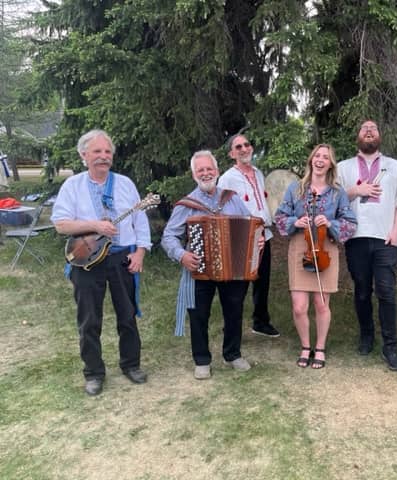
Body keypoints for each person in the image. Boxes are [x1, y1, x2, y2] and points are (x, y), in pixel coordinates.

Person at [51, 129, 151, 396]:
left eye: (107, 152)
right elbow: (61, 224)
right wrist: (94, 225)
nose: (103, 157)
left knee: (127, 316)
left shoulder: (125, 184)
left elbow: (139, 219)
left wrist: (140, 252)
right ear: (84, 155)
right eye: (97, 152)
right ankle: (94, 373)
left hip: (121, 259)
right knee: (89, 319)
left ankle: (131, 365)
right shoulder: (72, 186)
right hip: (86, 260)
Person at [161, 150, 262, 379]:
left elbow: (251, 225)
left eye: (209, 169)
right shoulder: (187, 204)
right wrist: (181, 255)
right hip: (199, 269)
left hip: (232, 269)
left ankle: (233, 354)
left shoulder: (232, 198)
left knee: (234, 311)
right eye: (201, 170)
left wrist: (258, 239)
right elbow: (168, 236)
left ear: (216, 171)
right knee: (198, 314)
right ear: (194, 174)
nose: (206, 173)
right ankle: (202, 359)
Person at [337, 120, 397, 371]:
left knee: (387, 292)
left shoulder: (394, 166)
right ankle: (366, 335)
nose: (369, 132)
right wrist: (355, 190)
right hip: (356, 238)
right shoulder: (343, 167)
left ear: (379, 136)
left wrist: (396, 231)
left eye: (374, 129)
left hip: (385, 238)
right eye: (364, 129)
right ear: (358, 136)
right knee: (361, 291)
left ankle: (390, 345)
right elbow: (334, 201)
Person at [275, 144, 357, 369]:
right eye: (317, 156)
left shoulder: (338, 193)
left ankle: (319, 347)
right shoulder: (295, 189)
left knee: (321, 304)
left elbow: (350, 224)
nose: (320, 160)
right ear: (311, 160)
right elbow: (280, 218)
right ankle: (305, 346)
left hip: (325, 248)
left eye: (326, 157)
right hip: (300, 246)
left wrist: (331, 223)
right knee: (299, 306)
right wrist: (295, 221)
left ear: (331, 164)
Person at [217, 134, 280, 337]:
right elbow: (222, 210)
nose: (244, 149)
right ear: (232, 153)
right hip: (243, 237)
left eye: (247, 144)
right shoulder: (227, 178)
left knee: (262, 282)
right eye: (238, 146)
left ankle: (260, 322)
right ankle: (231, 327)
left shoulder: (259, 173)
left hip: (265, 235)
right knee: (239, 285)